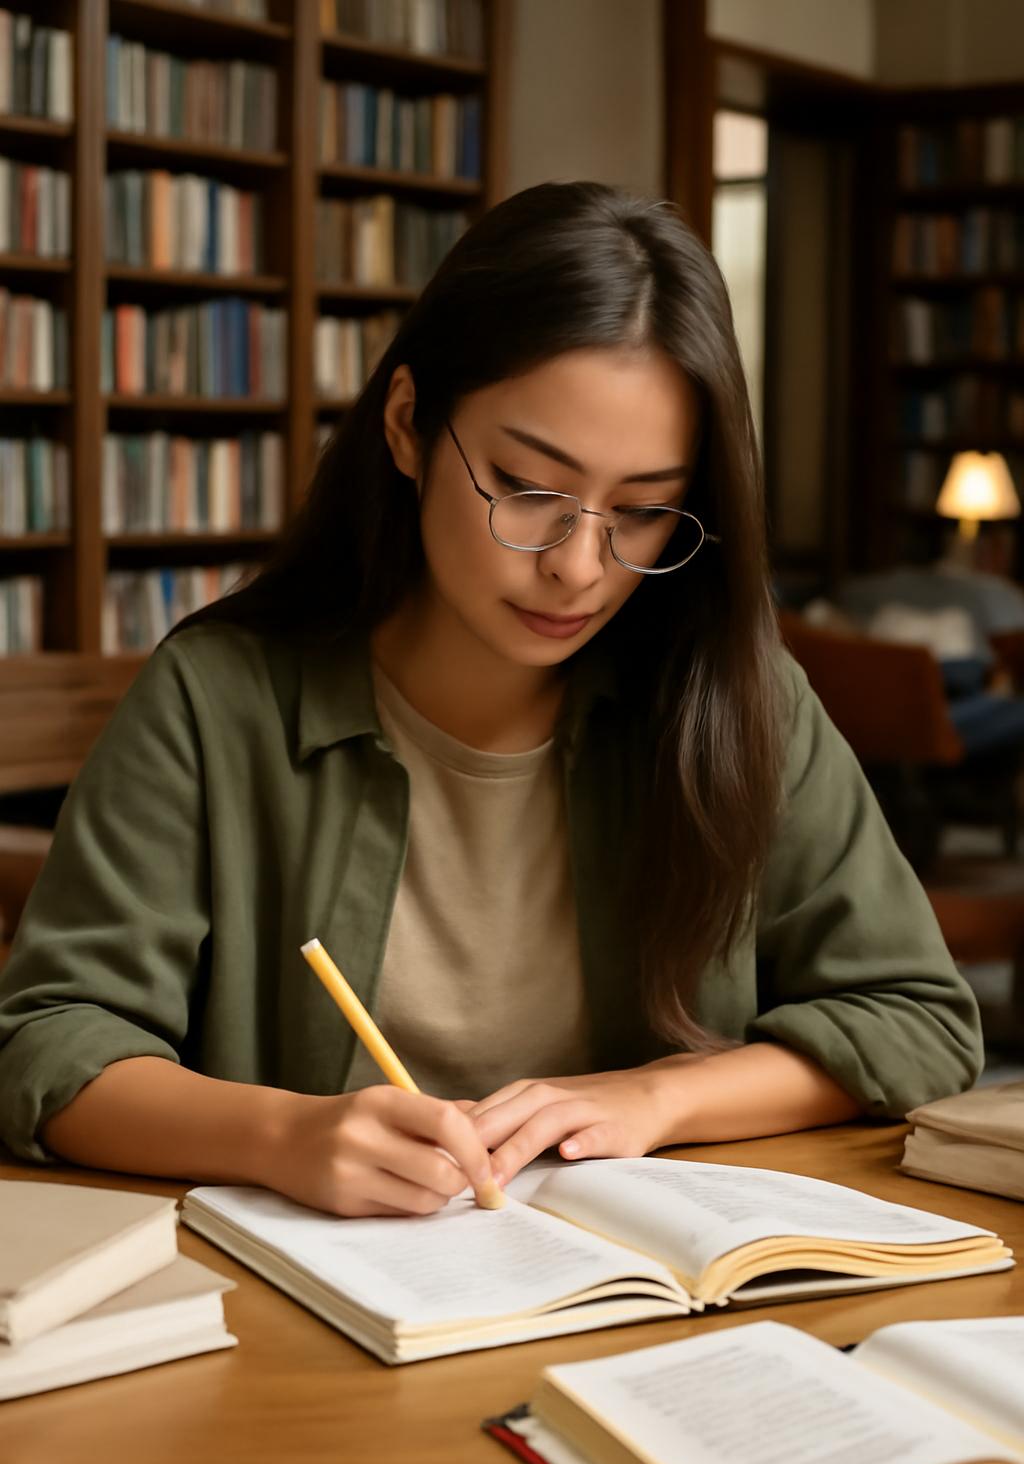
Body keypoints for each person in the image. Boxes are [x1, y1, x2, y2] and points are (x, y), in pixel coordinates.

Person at [0, 182, 981, 1218]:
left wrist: (658, 1096)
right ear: (408, 425)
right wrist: (283, 1136)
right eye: (527, 489)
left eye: (643, 511)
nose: (579, 567)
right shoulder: (216, 701)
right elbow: (49, 1044)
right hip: (307, 1290)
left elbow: (917, 1018)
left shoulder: (739, 700)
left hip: (630, 1284)